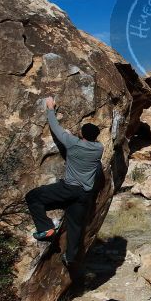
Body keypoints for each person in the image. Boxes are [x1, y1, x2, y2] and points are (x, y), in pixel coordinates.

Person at [25, 97, 104, 266]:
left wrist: (50, 108)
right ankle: (70, 257)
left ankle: (45, 228)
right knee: (75, 226)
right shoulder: (99, 149)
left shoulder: (73, 144)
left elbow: (55, 127)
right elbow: (85, 143)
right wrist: (72, 137)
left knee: (33, 196)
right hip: (84, 194)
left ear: (81, 134)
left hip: (68, 189)